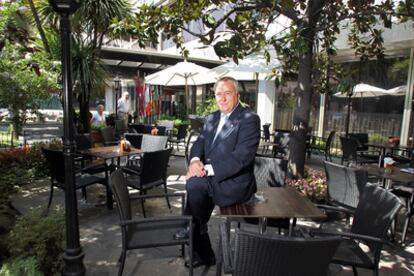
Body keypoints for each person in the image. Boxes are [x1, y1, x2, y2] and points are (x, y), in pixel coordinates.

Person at [177, 76, 261, 268]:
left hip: (233, 183)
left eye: (227, 93)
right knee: (193, 185)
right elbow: (199, 143)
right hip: (209, 178)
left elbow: (242, 158)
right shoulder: (212, 117)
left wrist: (205, 169)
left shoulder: (249, 119)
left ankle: (192, 231)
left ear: (237, 95)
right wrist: (195, 161)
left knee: (194, 192)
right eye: (218, 94)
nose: (222, 98)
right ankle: (201, 241)